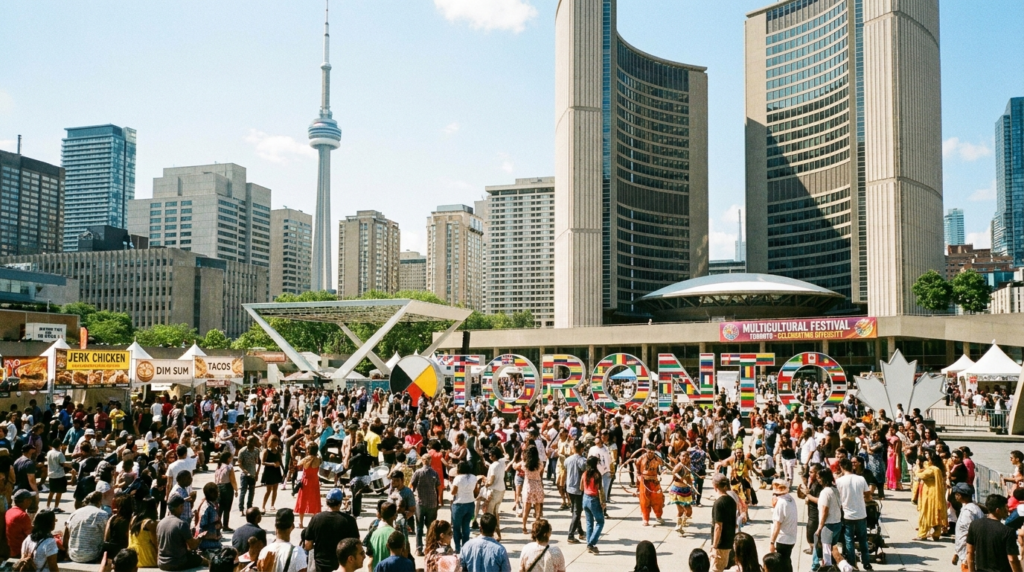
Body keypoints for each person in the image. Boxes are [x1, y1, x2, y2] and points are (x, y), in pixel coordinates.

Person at [300, 488, 359, 572]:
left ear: (327, 502)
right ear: (340, 503)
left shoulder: (316, 518)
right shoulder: (349, 520)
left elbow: (307, 545)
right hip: (342, 566)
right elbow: (356, 544)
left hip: (320, 566)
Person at [966, 494, 1021, 572]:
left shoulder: (974, 525)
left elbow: (969, 552)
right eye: (1005, 507)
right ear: (998, 510)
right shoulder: (1007, 531)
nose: (1007, 510)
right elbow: (1012, 559)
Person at [835, 457, 872, 570]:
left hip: (847, 514)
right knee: (862, 539)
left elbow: (837, 498)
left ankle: (852, 563)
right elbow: (868, 495)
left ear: (841, 467)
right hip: (861, 513)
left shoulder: (839, 481)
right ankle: (866, 562)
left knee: (849, 540)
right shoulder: (861, 479)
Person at [156, 495, 205, 571]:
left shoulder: (160, 523)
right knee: (198, 558)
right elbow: (193, 546)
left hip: (161, 563)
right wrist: (200, 537)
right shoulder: (181, 524)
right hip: (177, 563)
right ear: (180, 507)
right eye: (182, 507)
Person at [65, 491, 109, 563]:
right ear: (99, 501)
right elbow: (107, 534)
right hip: (93, 555)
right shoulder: (102, 514)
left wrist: (65, 551)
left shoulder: (75, 512)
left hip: (73, 554)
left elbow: (66, 532)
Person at [411, 455, 440, 556]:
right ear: (430, 461)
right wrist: (438, 501)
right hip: (432, 503)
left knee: (419, 527)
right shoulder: (435, 473)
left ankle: (419, 549)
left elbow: (412, 486)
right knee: (430, 527)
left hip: (420, 502)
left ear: (422, 461)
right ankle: (430, 548)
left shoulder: (417, 472)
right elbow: (438, 488)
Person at [914, 452, 947, 541]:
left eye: (929, 460)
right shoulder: (937, 469)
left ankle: (922, 534)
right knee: (936, 513)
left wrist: (917, 468)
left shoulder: (932, 470)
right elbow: (925, 466)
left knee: (926, 513)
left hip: (930, 493)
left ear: (932, 461)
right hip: (935, 493)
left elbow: (920, 475)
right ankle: (936, 534)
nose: (927, 461)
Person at [953, 483, 984, 571]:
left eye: (957, 494)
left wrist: (968, 557)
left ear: (961, 496)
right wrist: (956, 552)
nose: (956, 496)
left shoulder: (968, 512)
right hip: (965, 553)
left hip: (969, 555)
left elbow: (969, 535)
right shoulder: (972, 508)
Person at [768, 480, 797, 572]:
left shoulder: (781, 503)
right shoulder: (791, 499)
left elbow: (777, 525)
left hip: (782, 539)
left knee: (781, 565)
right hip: (791, 538)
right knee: (787, 561)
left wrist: (772, 543)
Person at [711, 474, 738, 572]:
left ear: (715, 486)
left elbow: (718, 526)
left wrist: (714, 546)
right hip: (729, 540)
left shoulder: (719, 503)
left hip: (721, 543)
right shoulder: (731, 500)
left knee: (716, 569)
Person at [449, 461, 477, 553]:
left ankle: (457, 548)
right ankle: (465, 547)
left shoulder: (458, 478)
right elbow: (476, 491)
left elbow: (453, 492)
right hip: (470, 503)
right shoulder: (473, 477)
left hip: (459, 504)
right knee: (466, 527)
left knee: (456, 528)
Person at [481, 447, 507, 542]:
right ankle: (498, 534)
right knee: (496, 513)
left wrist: (485, 482)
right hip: (501, 490)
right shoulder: (502, 463)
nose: (489, 457)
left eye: (490, 455)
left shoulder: (493, 466)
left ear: (494, 456)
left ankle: (490, 534)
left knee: (489, 514)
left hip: (493, 491)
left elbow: (491, 481)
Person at [293, 443, 322, 529]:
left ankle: (301, 522)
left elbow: (298, 464)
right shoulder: (318, 460)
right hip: (315, 481)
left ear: (308, 450)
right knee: (315, 500)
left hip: (306, 481)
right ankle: (314, 522)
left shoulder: (305, 459)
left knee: (302, 500)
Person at [563, 441, 586, 544]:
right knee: (577, 511)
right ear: (581, 449)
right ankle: (571, 534)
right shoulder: (582, 460)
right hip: (578, 488)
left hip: (569, 487)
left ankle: (580, 530)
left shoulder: (567, 460)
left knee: (575, 510)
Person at [518, 445, 545, 534]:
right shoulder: (540, 463)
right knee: (537, 508)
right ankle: (537, 528)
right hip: (538, 485)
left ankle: (524, 527)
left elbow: (516, 466)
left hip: (528, 486)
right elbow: (541, 473)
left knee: (526, 509)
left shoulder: (525, 464)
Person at [581, 455, 606, 554]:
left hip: (585, 498)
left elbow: (581, 488)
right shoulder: (597, 475)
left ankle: (589, 543)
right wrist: (603, 502)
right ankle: (591, 543)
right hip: (593, 499)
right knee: (600, 522)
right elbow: (600, 489)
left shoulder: (584, 474)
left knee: (589, 522)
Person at [127, 498, 159, 568]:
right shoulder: (150, 523)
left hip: (133, 556)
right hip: (147, 557)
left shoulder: (134, 519)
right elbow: (155, 543)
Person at [369, 502, 400, 572]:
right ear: (394, 516)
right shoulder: (396, 534)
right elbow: (404, 556)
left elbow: (370, 561)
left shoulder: (374, 534)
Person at [214, 452, 238, 532]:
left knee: (220, 508)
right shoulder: (229, 467)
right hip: (227, 487)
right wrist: (236, 489)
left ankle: (217, 526)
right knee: (227, 508)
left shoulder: (219, 466)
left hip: (218, 487)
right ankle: (225, 525)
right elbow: (233, 480)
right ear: (228, 458)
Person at [237, 436, 261, 514]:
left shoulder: (256, 451)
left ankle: (249, 508)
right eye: (248, 441)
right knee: (243, 491)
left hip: (253, 474)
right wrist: (245, 471)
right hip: (244, 475)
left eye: (251, 441)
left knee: (251, 492)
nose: (249, 443)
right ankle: (241, 509)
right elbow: (239, 463)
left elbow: (258, 462)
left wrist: (257, 473)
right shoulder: (242, 451)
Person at [45, 442, 71, 512]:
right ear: (59, 445)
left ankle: (47, 506)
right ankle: (56, 507)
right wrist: (70, 466)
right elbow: (62, 464)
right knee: (59, 492)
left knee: (51, 492)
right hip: (59, 475)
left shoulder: (49, 452)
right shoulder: (60, 454)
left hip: (51, 474)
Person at [6, 489, 32, 557]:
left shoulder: (9, 511)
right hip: (19, 550)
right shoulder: (22, 515)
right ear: (25, 501)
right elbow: (31, 536)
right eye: (30, 499)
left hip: (11, 548)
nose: (31, 501)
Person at [260, 435, 284, 513]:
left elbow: (280, 461)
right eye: (274, 441)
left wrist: (284, 471)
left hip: (277, 471)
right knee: (268, 490)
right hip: (269, 471)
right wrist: (272, 464)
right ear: (270, 442)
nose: (276, 443)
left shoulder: (278, 451)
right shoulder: (266, 451)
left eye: (277, 441)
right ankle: (263, 506)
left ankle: (272, 505)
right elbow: (262, 462)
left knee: (275, 489)